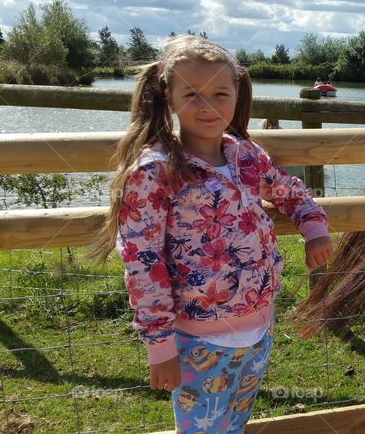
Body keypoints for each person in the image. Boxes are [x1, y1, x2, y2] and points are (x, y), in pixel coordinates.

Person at [89, 35, 333, 433]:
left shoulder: (246, 156)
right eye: (192, 94)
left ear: (237, 95)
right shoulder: (155, 172)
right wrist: (160, 347)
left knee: (235, 423)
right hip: (198, 341)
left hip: (259, 329)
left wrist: (314, 227)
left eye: (220, 94)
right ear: (168, 97)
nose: (208, 106)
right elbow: (143, 263)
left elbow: (289, 191)